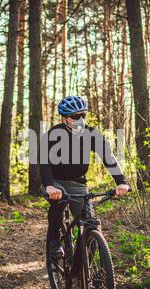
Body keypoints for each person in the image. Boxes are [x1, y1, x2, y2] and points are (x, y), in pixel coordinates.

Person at [40, 95, 130, 262]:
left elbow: (108, 158)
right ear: (65, 118)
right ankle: (54, 242)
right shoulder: (52, 135)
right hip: (55, 182)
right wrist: (49, 186)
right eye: (75, 117)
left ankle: (84, 274)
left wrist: (122, 182)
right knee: (58, 203)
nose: (80, 120)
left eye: (83, 115)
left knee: (91, 225)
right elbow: (44, 164)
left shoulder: (92, 134)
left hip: (78, 183)